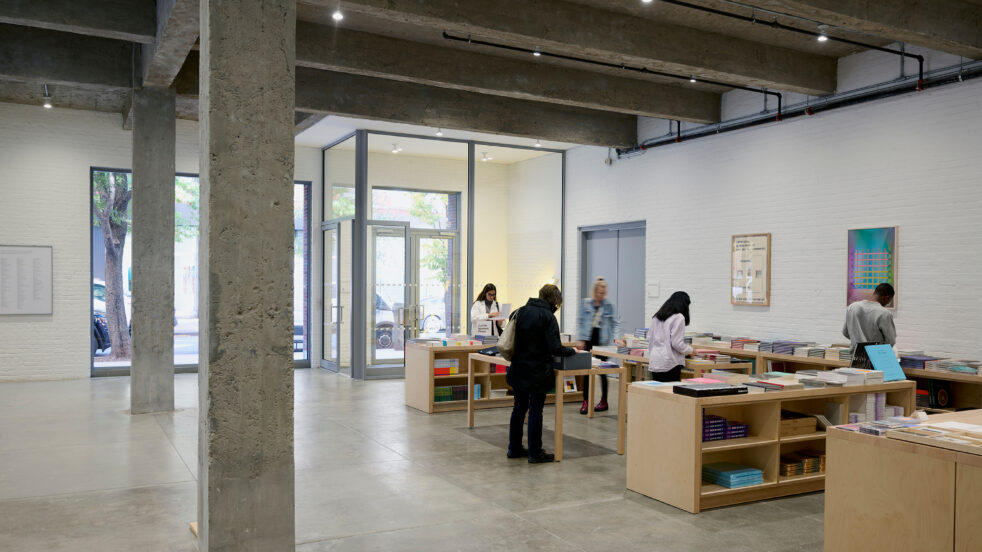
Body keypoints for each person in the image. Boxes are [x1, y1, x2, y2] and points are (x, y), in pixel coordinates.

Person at [506, 284, 576, 463]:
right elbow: (555, 347)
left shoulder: (519, 311)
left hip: (518, 368)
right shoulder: (548, 317)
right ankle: (535, 452)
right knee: (536, 410)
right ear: (554, 300)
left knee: (519, 408)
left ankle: (514, 448)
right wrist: (572, 351)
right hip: (537, 371)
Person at [575, 277, 624, 414]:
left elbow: (615, 323)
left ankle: (604, 401)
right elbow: (580, 322)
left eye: (604, 293)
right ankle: (586, 401)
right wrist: (580, 339)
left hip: (602, 342)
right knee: (586, 372)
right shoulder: (585, 304)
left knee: (602, 371)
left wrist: (616, 339)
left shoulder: (609, 305)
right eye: (600, 292)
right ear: (595, 291)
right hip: (588, 340)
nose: (602, 295)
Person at [647, 291, 693, 382]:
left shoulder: (657, 316)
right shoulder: (679, 317)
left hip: (655, 360)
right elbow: (677, 343)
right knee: (670, 392)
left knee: (658, 392)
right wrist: (690, 350)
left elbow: (649, 338)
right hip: (670, 363)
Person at [842, 282, 897, 352]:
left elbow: (845, 332)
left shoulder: (852, 307)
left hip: (856, 355)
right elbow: (890, 340)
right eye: (889, 301)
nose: (887, 304)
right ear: (886, 297)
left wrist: (857, 340)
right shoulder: (885, 313)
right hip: (875, 355)